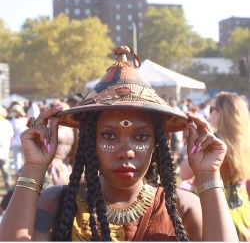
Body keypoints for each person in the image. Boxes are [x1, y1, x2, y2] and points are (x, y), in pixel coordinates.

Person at [0, 46, 238, 241]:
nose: (126, 152)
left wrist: (208, 175)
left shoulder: (181, 207)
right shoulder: (57, 203)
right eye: (109, 136)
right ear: (89, 141)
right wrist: (33, 167)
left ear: (160, 142)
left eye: (141, 137)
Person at [179, 91, 250, 241]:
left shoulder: (214, 144)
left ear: (222, 114)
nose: (209, 114)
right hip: (242, 210)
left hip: (212, 207)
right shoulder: (246, 141)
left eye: (212, 110)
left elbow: (183, 174)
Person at [0, 106, 14, 190]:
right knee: (6, 171)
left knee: (6, 170)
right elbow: (11, 136)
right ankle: (9, 189)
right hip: (5, 151)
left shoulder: (6, 122)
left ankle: (9, 188)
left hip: (4, 151)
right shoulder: (7, 123)